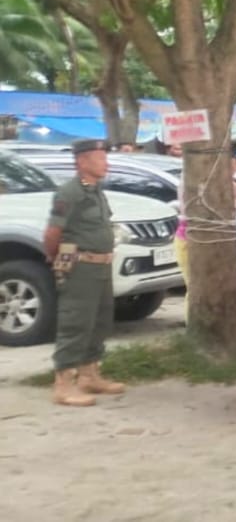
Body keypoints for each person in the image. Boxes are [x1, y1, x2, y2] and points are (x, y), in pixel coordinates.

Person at [43, 139, 124, 407]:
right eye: (100, 158)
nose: (106, 163)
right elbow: (53, 232)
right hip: (80, 266)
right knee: (75, 321)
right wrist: (57, 258)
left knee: (99, 320)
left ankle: (89, 376)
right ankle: (64, 385)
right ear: (82, 162)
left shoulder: (97, 190)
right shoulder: (69, 193)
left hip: (101, 265)